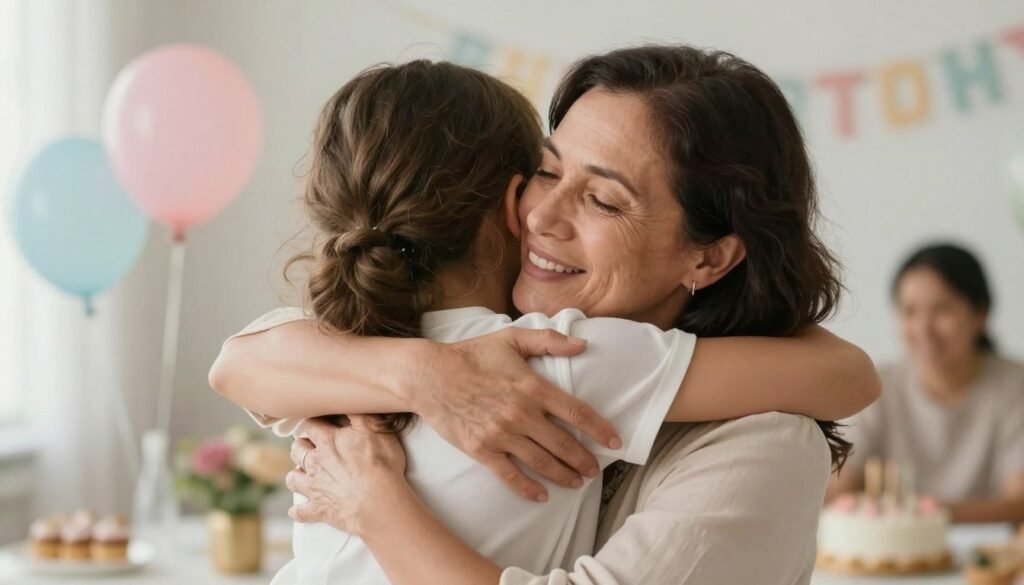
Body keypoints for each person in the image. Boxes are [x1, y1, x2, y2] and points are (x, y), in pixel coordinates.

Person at [212, 46, 879, 584]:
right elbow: (242, 362)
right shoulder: (500, 346)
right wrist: (426, 372)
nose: (541, 216)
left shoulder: (757, 441)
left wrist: (376, 506)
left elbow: (849, 374)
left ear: (707, 258)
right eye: (546, 171)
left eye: (605, 201)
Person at [830, 243, 1024, 524]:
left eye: (942, 310)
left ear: (980, 314)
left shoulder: (1015, 388)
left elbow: (1018, 504)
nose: (923, 328)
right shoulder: (876, 386)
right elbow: (841, 489)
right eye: (910, 311)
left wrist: (917, 514)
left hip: (987, 556)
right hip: (891, 558)